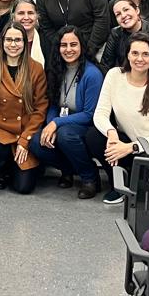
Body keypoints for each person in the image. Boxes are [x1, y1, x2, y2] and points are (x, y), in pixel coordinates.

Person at [95, 33, 149, 205]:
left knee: (144, 192)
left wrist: (130, 147)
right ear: (128, 55)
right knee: (93, 136)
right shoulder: (114, 75)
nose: (140, 59)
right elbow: (100, 113)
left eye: (146, 54)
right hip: (122, 141)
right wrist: (111, 134)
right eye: (135, 53)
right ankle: (118, 183)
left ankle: (132, 181)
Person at [0, 23, 48, 193]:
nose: (13, 45)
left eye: (18, 40)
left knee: (24, 188)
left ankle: (18, 165)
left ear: (24, 42)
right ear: (2, 42)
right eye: (9, 40)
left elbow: (40, 108)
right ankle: (0, 169)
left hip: (24, 131)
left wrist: (25, 140)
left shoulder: (36, 69)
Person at [33, 26, 106, 198]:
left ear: (82, 46)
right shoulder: (57, 69)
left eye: (73, 44)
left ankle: (90, 178)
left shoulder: (92, 74)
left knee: (65, 135)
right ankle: (67, 170)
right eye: (63, 45)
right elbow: (52, 105)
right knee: (36, 141)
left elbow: (89, 114)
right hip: (63, 122)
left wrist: (56, 123)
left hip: (84, 126)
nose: (68, 49)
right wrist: (51, 123)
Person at [101, 0, 149, 75]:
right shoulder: (115, 33)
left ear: (137, 10)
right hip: (123, 77)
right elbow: (105, 65)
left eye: (126, 10)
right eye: (118, 14)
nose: (123, 16)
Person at [11, 0, 45, 66]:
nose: (26, 17)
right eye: (21, 13)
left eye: (30, 13)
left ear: (37, 16)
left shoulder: (47, 42)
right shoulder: (1, 40)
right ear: (13, 17)